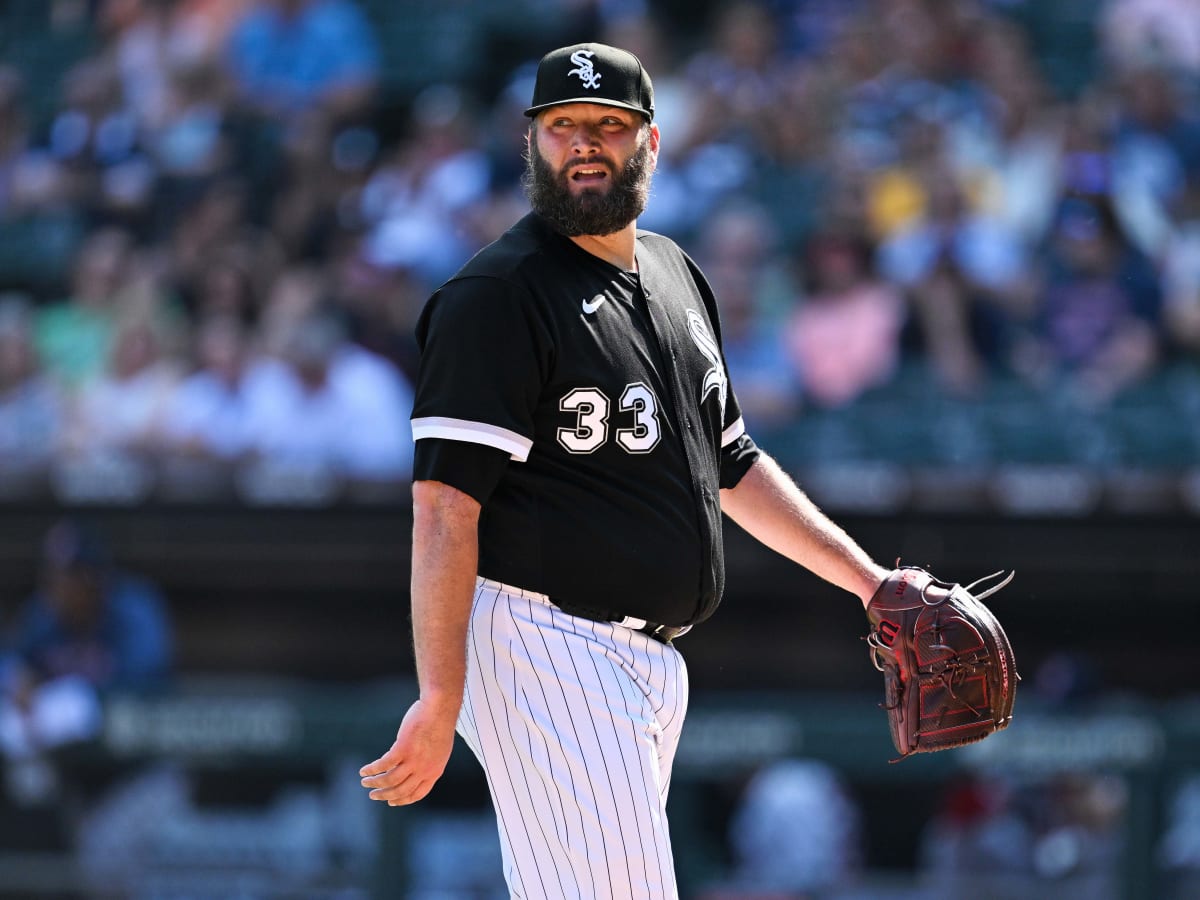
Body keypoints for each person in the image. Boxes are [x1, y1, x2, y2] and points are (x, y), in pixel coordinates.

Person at [359, 43, 889, 899]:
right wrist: (440, 694)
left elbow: (732, 464)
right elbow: (443, 510)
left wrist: (869, 583)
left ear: (650, 141)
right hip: (543, 640)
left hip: (647, 661)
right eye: (563, 125)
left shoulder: (677, 274)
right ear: (532, 142)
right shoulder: (498, 294)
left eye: (608, 124)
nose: (584, 144)